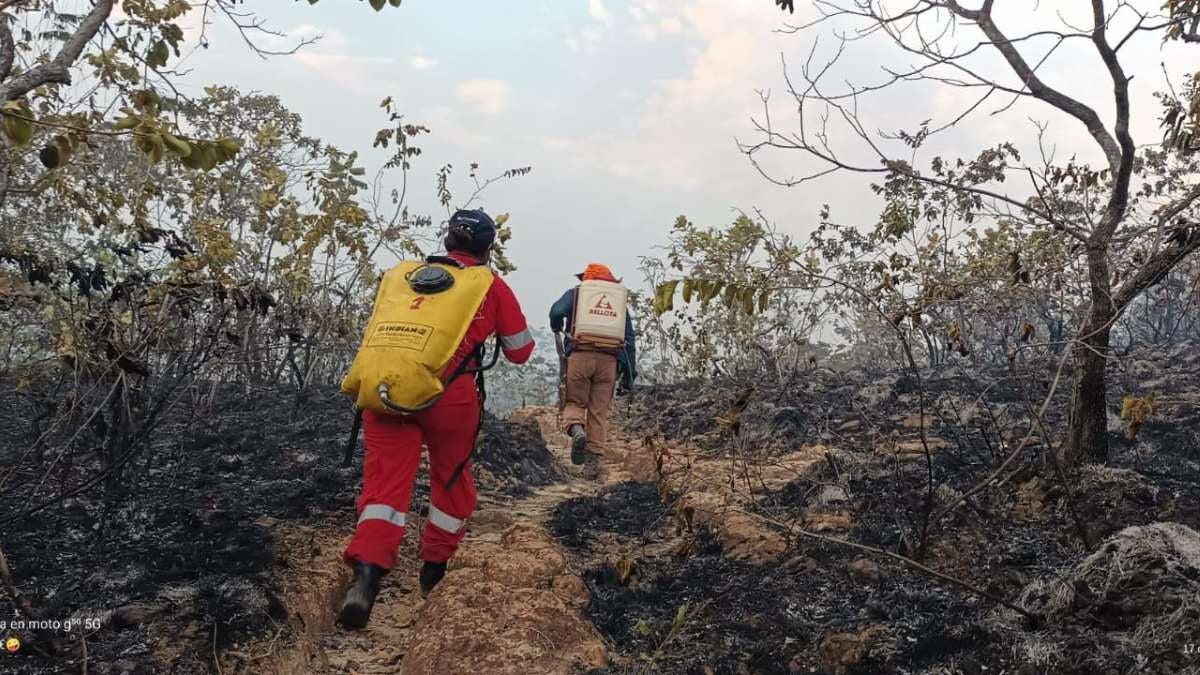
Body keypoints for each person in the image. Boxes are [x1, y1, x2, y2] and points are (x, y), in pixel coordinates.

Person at [337, 209, 535, 629]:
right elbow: (520, 351)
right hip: (451, 399)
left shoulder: (403, 276)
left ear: (446, 241)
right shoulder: (488, 285)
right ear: (488, 248)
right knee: (450, 479)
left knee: (383, 487)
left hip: (387, 390)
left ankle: (367, 576)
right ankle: (434, 569)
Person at [549, 263, 636, 479]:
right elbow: (630, 342)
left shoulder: (577, 294)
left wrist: (557, 326)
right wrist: (629, 377)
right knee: (599, 413)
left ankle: (577, 430)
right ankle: (592, 465)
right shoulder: (618, 304)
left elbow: (556, 311)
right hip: (609, 363)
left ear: (586, 279)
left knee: (574, 402)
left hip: (580, 357)